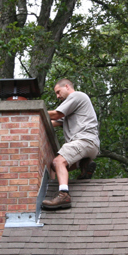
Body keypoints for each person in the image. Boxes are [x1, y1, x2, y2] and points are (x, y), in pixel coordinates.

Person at [42, 79, 100, 210]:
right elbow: (53, 122)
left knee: (58, 162)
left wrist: (36, 111)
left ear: (67, 86)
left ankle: (64, 195)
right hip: (90, 145)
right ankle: (84, 164)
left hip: (83, 140)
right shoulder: (72, 110)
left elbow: (56, 114)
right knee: (54, 166)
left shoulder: (76, 95)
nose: (57, 96)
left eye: (58, 92)